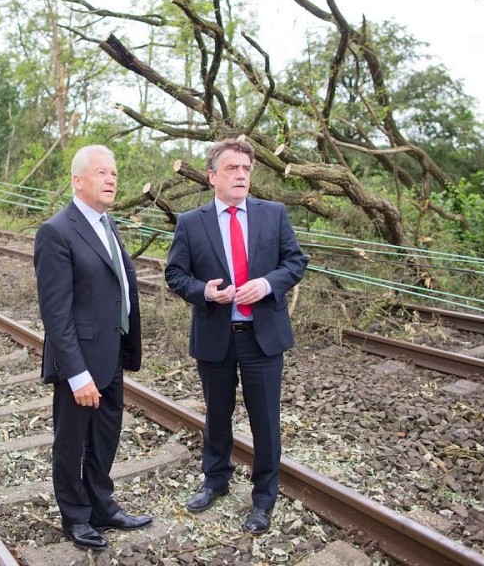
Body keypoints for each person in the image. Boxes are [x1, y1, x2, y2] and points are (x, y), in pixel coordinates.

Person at [164, 137, 308, 534]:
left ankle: (264, 499)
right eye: (232, 169)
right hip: (216, 334)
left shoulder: (273, 214)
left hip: (262, 335)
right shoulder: (191, 223)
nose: (241, 175)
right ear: (212, 177)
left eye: (246, 169)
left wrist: (266, 284)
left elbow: (296, 262)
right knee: (217, 415)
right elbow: (174, 275)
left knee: (265, 420)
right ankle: (215, 480)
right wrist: (204, 291)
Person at [33, 144, 152, 551]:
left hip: (111, 353)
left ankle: (102, 505)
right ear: (77, 181)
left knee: (106, 435)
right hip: (80, 363)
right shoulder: (57, 231)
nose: (112, 179)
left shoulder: (107, 223)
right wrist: (77, 373)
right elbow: (56, 313)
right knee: (72, 441)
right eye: (102, 173)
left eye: (114, 173)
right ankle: (76, 516)